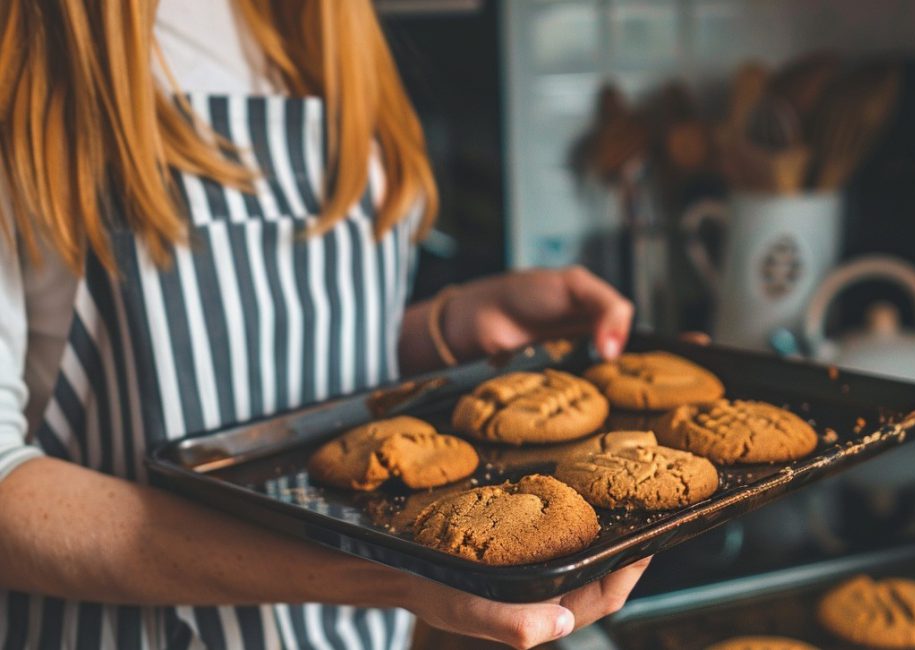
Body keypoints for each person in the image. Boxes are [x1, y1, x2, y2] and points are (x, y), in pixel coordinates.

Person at [0, 1, 647, 648]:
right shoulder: (30, 42)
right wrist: (387, 572)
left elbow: (300, 350)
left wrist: (442, 327)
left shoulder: (325, 29)